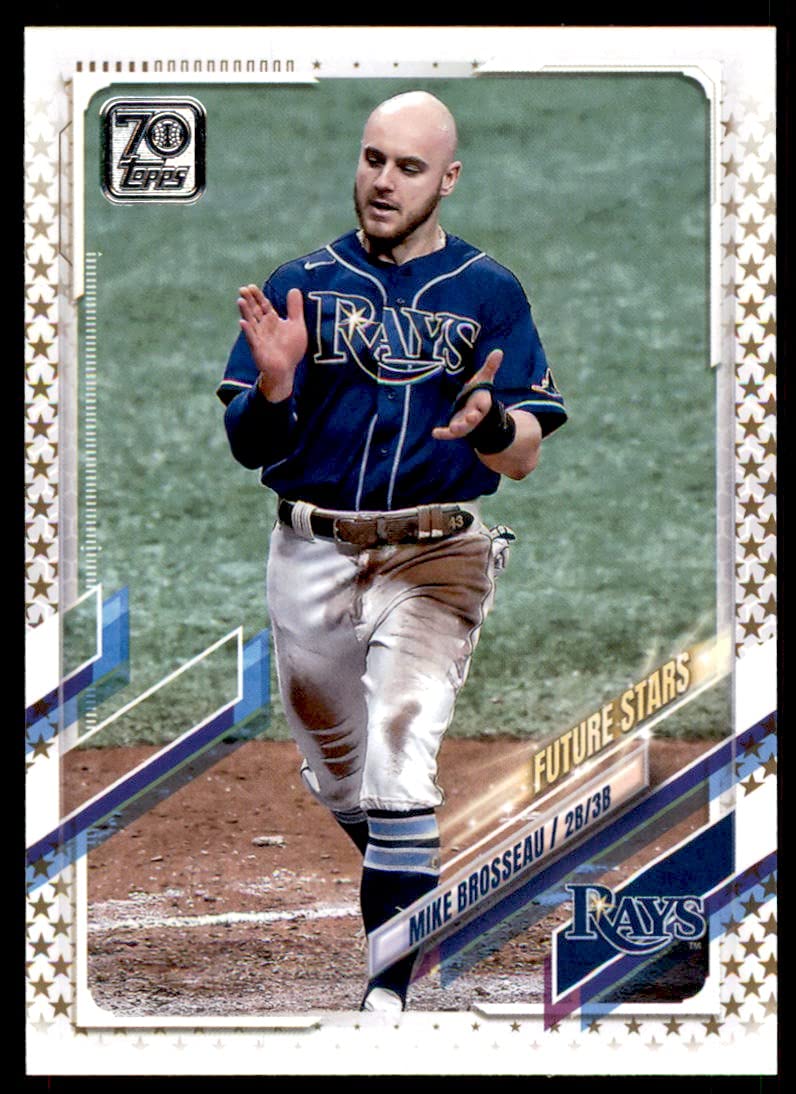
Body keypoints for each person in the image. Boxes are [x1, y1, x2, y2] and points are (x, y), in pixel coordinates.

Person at [217, 90, 567, 1013]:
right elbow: (250, 446)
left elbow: (524, 455)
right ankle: (420, 895)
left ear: (446, 179)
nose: (384, 181)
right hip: (311, 556)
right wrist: (275, 385)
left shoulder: (488, 292)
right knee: (341, 775)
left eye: (409, 167)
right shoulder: (300, 283)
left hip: (437, 558)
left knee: (400, 760)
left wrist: (489, 424)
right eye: (374, 158)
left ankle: (388, 1000)